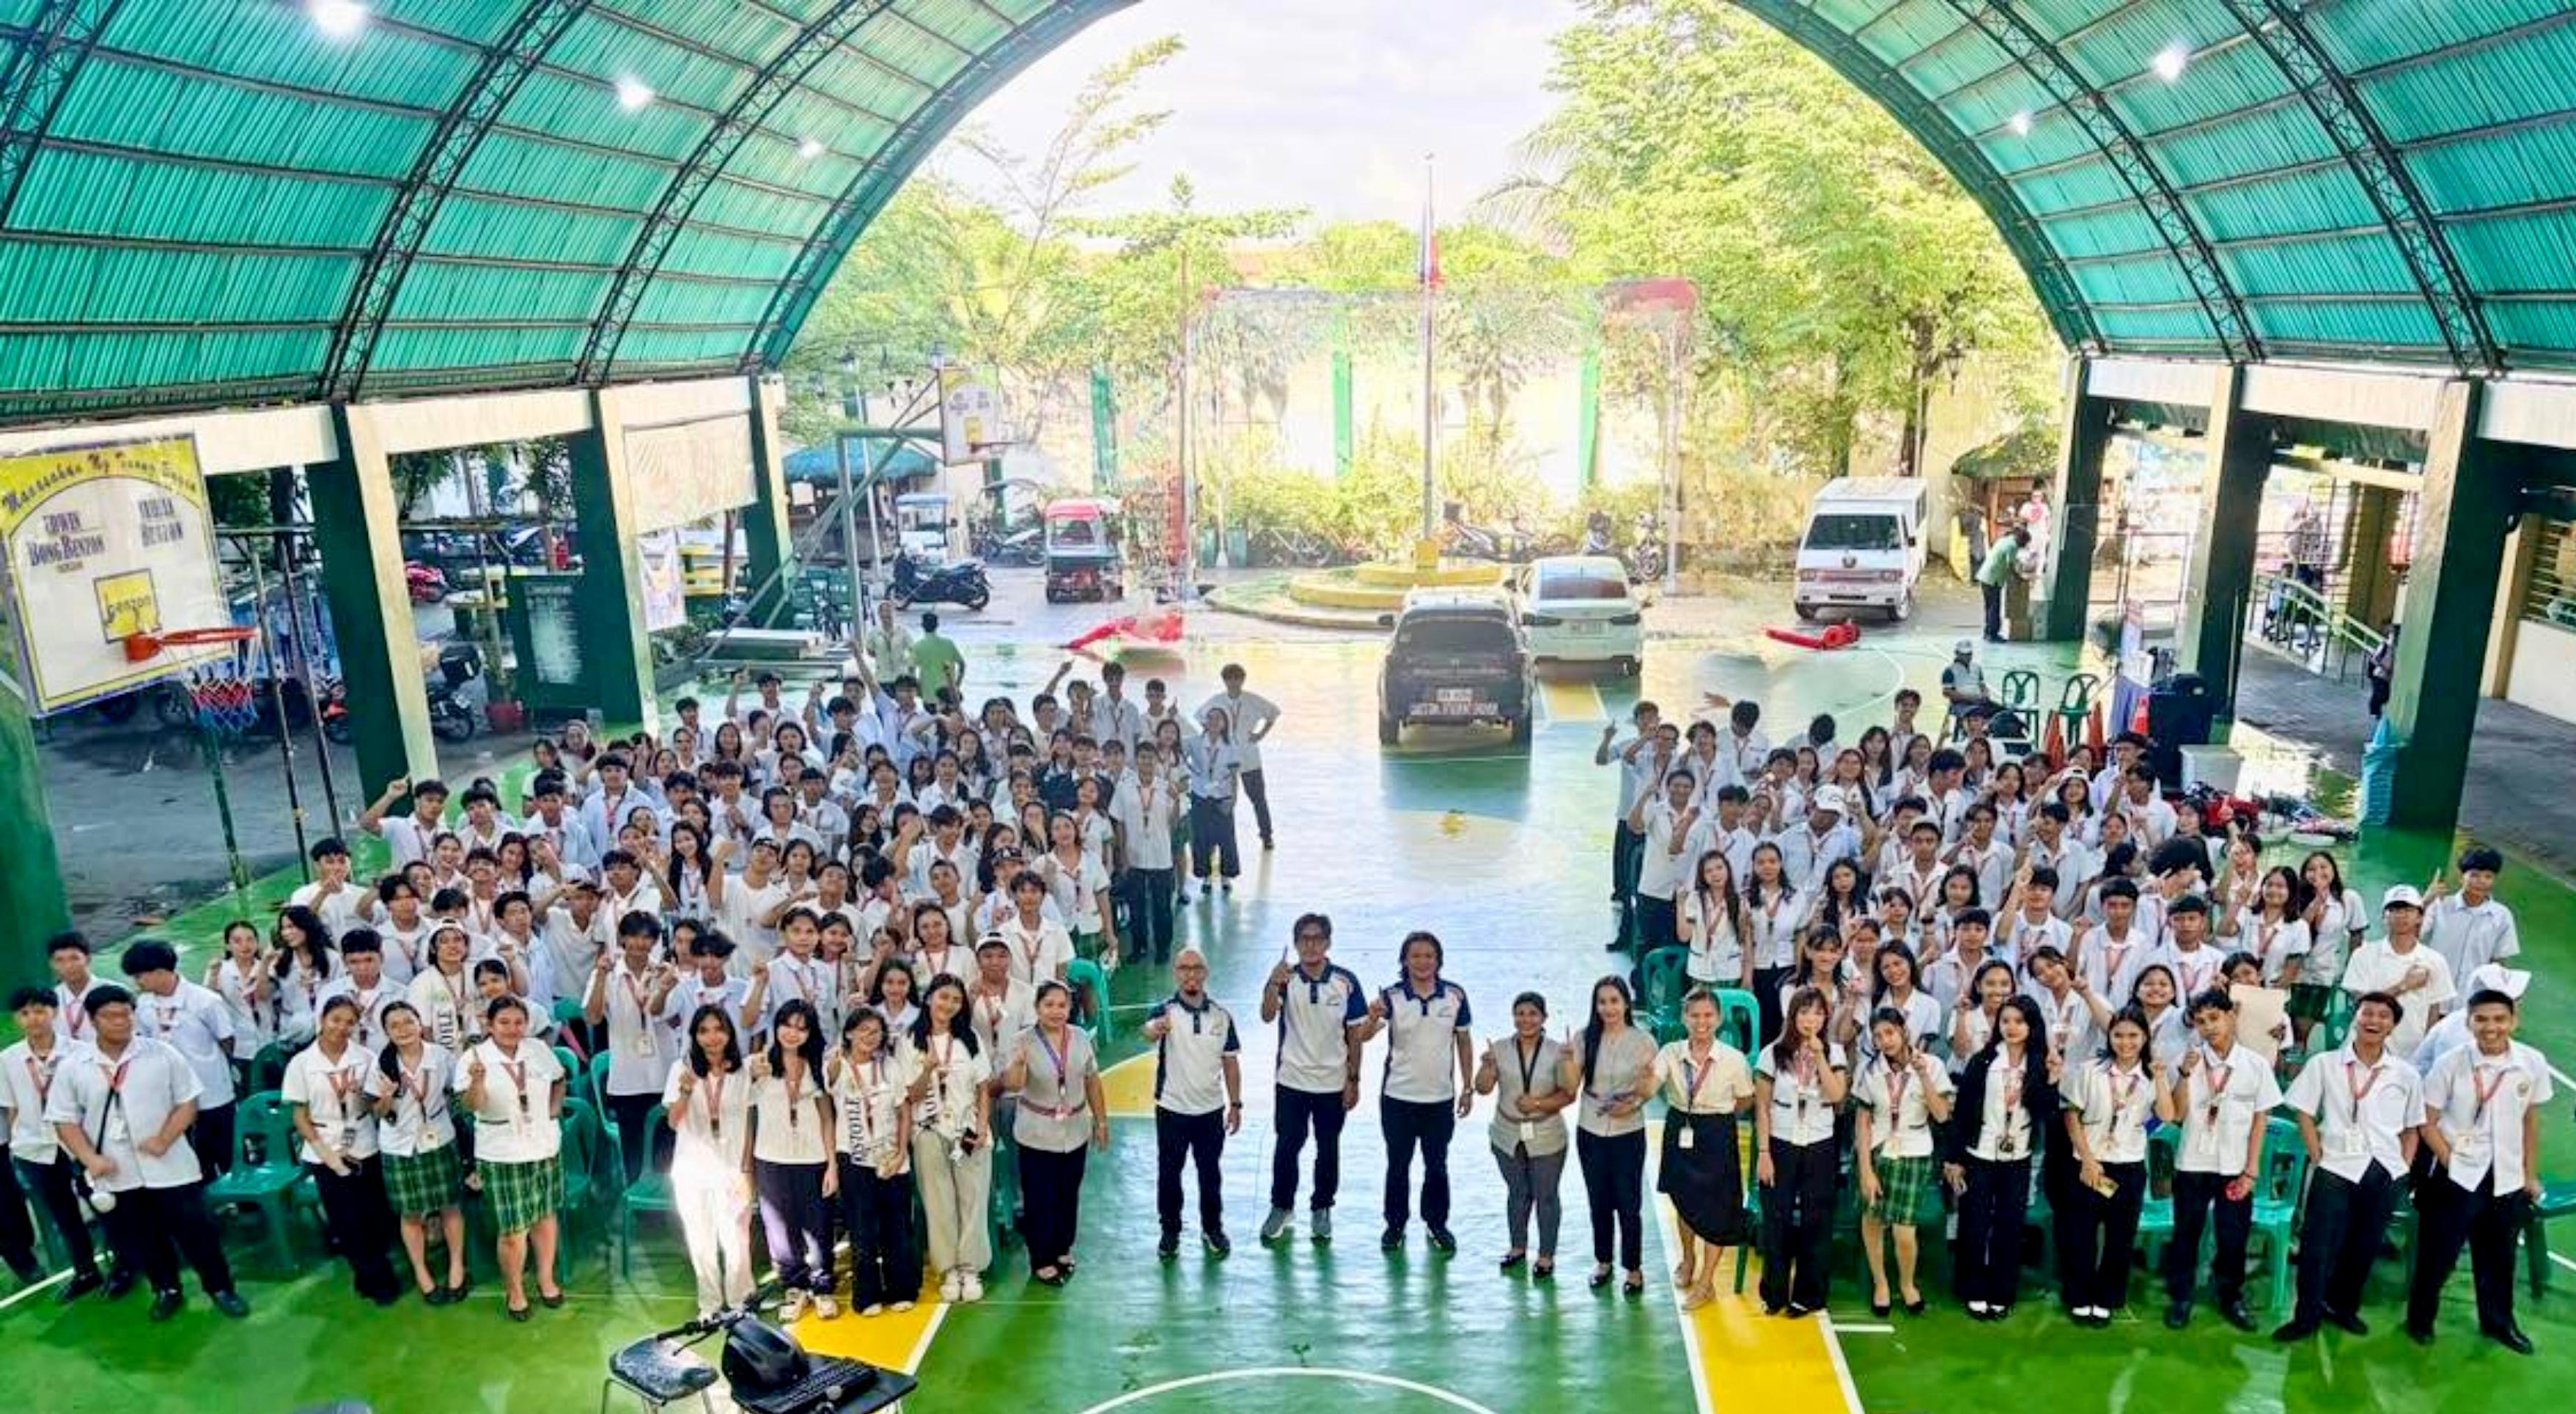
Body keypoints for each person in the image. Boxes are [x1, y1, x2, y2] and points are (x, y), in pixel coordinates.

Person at [45, 985, 249, 1321]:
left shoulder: (162, 1054)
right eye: (111, 1016)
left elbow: (188, 1101)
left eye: (126, 1013)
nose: (121, 1022)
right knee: (145, 1235)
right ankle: (166, 1289)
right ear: (93, 1020)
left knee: (196, 1230)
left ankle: (221, 1288)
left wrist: (165, 1139)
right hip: (117, 1172)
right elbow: (64, 1121)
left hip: (170, 1164)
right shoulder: (74, 1066)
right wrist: (90, 1159)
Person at [2409, 987, 2552, 1354]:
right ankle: (2421, 1319)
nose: (2491, 1028)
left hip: (2505, 1177)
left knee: (2500, 1256)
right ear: (2469, 1022)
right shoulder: (2452, 1063)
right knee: (2438, 1252)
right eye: (2482, 1019)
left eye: (2500, 1019)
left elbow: (2531, 1122)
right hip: (2457, 1176)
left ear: (2514, 1021)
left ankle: (2499, 1323)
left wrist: (2529, 1174)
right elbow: (2428, 1121)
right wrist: (2449, 1161)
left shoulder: (2531, 1062)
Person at [2274, 990, 2423, 1343]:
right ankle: (2306, 1315)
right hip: (2335, 1165)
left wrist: (2402, 1168)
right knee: (2317, 1244)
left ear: (2393, 1025)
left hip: (2384, 1168)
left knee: (2365, 1244)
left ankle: (2343, 1307)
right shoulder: (2325, 1064)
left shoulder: (2405, 1074)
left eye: (2383, 1016)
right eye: (2367, 1013)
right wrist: (2318, 1156)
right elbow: (2304, 1113)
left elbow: (2412, 1128)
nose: (2373, 1021)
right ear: (2355, 1018)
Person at [2163, 989, 2280, 1331]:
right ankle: (2181, 1295)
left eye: (2214, 1018)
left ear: (2231, 1016)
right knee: (2186, 1232)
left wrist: (2251, 1169)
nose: (2208, 1027)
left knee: (2233, 1236)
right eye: (2201, 1022)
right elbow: (2177, 1115)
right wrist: (2184, 1076)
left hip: (2234, 1166)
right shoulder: (2190, 1061)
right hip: (2193, 1163)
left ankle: (2231, 1296)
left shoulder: (2255, 1064)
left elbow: (2262, 1118)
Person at [1357, 931, 1476, 1254]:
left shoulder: (1455, 996)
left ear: (1438, 961)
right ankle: (1395, 1224)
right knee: (1398, 1164)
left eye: (1429, 956)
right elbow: (1365, 1037)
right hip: (1398, 1097)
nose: (1422, 962)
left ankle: (1437, 1223)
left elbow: (1464, 1041)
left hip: (1439, 1099)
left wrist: (1468, 1087)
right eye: (1415, 956)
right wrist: (1371, 1016)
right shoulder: (1391, 998)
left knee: (1437, 1165)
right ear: (1405, 961)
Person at [282, 995, 401, 1305]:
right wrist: (327, 1155)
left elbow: (375, 1110)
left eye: (350, 1022)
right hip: (325, 1148)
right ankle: (375, 1277)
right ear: (322, 1020)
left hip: (363, 1143)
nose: (342, 1028)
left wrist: (381, 1098)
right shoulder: (301, 1064)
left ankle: (371, 1273)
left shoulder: (364, 1058)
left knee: (374, 1215)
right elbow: (300, 1116)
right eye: (336, 1020)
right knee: (346, 1222)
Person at [2059, 1006, 2173, 1325]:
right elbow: (2072, 1115)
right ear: (2109, 1037)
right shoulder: (2091, 1070)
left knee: (2120, 1237)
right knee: (2081, 1233)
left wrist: (2162, 1078)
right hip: (2089, 1166)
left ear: (2145, 1037)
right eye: (2119, 1035)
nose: (2126, 1042)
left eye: (2133, 1035)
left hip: (2128, 1166)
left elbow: (2166, 1115)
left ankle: (2108, 1297)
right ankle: (2079, 1296)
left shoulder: (2152, 1077)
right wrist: (2088, 1159)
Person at [456, 996, 567, 1319]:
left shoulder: (538, 1050)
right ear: (490, 1025)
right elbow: (470, 1106)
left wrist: (553, 1111)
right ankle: (515, 1290)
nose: (512, 1029)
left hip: (543, 1143)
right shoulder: (474, 1058)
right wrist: (477, 1081)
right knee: (513, 1229)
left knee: (545, 1216)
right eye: (503, 1023)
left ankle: (546, 1278)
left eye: (519, 1022)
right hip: (501, 1150)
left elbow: (559, 1080)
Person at [1259, 914, 1365, 1247]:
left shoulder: (1346, 981)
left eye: (1317, 938)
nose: (1311, 944)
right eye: (1304, 938)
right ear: (1295, 943)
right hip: (1291, 1079)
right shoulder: (1285, 978)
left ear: (1328, 943)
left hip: (1333, 1084)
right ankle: (1282, 1207)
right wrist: (1272, 984)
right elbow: (1266, 1015)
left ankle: (1322, 1208)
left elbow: (1355, 1034)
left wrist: (1353, 1079)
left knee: (1328, 1148)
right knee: (1287, 1147)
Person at [1948, 995, 2055, 1319]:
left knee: (2010, 1225)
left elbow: (2045, 1114)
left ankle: (2002, 1290)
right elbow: (1963, 1111)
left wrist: (2051, 1080)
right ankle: (1972, 1288)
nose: (2012, 1027)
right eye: (2006, 1021)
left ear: (2032, 1026)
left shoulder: (2040, 1063)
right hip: (1979, 1154)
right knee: (1974, 1223)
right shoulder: (1982, 1061)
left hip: (2018, 1156)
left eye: (2019, 1021)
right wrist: (1954, 1158)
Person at [2, 987, 106, 1301]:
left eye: (39, 1011)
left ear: (54, 1012)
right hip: (35, 1150)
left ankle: (127, 1263)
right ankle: (86, 1271)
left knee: (106, 1205)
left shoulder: (81, 1052)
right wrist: (20, 1142)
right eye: (24, 1013)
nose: (33, 1019)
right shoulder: (8, 1060)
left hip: (79, 1145)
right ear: (16, 1019)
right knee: (64, 1214)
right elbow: (10, 1108)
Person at [1002, 980, 1107, 1285]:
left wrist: (1101, 1121)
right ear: (1037, 1008)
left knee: (1068, 1192)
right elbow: (1013, 1084)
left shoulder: (1080, 1038)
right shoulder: (1023, 1040)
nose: (1056, 1011)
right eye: (1049, 1005)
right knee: (1040, 1197)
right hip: (1036, 1131)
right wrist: (1019, 1064)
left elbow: (1092, 1080)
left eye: (1062, 1005)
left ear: (1070, 1008)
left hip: (1075, 1128)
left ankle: (1063, 1246)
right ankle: (1042, 1257)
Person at [1657, 989, 1755, 1310]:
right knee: (1683, 1200)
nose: (1701, 1022)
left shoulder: (1733, 1059)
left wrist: (1717, 1117)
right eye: (1695, 1015)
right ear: (1684, 1018)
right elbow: (1650, 1084)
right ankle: (1688, 1260)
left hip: (1717, 1132)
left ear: (1719, 1018)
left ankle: (1706, 1282)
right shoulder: (1670, 1052)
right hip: (1680, 1127)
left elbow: (1744, 1099)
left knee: (1718, 1208)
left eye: (1708, 1015)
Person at [1754, 987, 1847, 1317]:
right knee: (1776, 1217)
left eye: (1819, 1012)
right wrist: (1763, 1153)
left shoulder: (1834, 1052)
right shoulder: (1772, 1053)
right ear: (1792, 1016)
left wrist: (1819, 1055)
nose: (1811, 1019)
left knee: (1816, 1220)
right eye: (1804, 1012)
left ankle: (1809, 1295)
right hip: (1780, 1143)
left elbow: (1837, 1096)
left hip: (1820, 1144)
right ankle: (1774, 1292)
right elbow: (1762, 1107)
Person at [1853, 1006, 1952, 1318]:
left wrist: (1922, 1076)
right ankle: (1881, 1284)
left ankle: (1908, 1284)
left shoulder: (1933, 1065)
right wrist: (1866, 1170)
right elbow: (1864, 1121)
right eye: (1878, 1036)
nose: (1885, 1041)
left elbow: (1941, 1114)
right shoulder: (1869, 1071)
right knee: (1872, 1220)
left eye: (1890, 1033)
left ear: (1904, 1031)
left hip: (1915, 1150)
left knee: (1903, 1230)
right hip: (1878, 1150)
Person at [1144, 949, 1243, 1259]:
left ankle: (1212, 1228)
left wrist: (1235, 1104)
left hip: (1210, 1111)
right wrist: (1154, 1030)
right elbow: (1148, 1032)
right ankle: (1170, 1230)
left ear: (1205, 973)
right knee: (1170, 1173)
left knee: (1210, 1173)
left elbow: (1230, 1063)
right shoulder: (1164, 1011)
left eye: (1197, 968)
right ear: (1176, 973)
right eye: (1184, 968)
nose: (1191, 974)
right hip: (1172, 1109)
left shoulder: (1222, 1016)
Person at [370, 1001, 468, 1305]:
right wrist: (385, 1098)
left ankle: (456, 1267)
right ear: (386, 1032)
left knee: (450, 1206)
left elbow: (458, 1093)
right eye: (394, 1025)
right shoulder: (380, 1064)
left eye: (408, 1022)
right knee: (410, 1214)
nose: (403, 1030)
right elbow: (377, 1113)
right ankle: (421, 1273)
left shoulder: (440, 1056)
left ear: (419, 1023)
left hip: (438, 1139)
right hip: (399, 1145)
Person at [1566, 976, 1656, 1296]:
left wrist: (1633, 1102)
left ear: (1626, 1003)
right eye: (1602, 1002)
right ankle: (1603, 1261)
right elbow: (1569, 1086)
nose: (1608, 1008)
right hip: (1590, 1129)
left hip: (1628, 1131)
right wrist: (1566, 1062)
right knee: (1599, 1200)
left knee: (1629, 1203)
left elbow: (1648, 1090)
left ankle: (1633, 1268)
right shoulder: (1582, 1038)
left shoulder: (1644, 1041)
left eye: (1614, 1001)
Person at [665, 1004, 755, 1320]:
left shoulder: (744, 1071)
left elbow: (751, 1122)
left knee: (735, 1238)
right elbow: (674, 1122)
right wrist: (687, 1091)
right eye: (704, 1031)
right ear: (694, 1036)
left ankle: (741, 1301)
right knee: (700, 1238)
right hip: (692, 1168)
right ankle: (710, 1304)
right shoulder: (681, 1069)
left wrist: (746, 1170)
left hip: (731, 1168)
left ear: (730, 1033)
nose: (712, 1037)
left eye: (719, 1029)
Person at [1473, 991, 1572, 1280]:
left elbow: (1568, 1093)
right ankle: (1517, 1247)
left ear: (1544, 1018)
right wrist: (1487, 1066)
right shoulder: (1500, 1049)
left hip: (1547, 1133)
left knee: (1547, 1196)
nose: (1526, 1019)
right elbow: (1482, 1088)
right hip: (1506, 1133)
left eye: (1532, 1014)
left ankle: (1546, 1255)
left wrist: (1566, 1064)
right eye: (1520, 1013)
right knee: (1517, 1194)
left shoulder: (1557, 1050)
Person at [908, 974, 993, 1303]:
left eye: (956, 1000)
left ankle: (971, 1267)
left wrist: (983, 1127)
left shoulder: (969, 1038)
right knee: (938, 1202)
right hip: (929, 1132)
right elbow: (910, 1096)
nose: (949, 1005)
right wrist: (928, 1070)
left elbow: (983, 1088)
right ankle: (949, 1269)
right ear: (929, 998)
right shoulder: (909, 1041)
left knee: (973, 1198)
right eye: (943, 997)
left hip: (968, 1130)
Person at [119, 940, 237, 1180]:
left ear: (161, 972)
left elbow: (226, 1040)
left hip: (212, 1093)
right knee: (194, 1161)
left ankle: (245, 1208)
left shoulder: (205, 1000)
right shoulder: (143, 1005)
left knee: (227, 1154)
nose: (137, 983)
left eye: (140, 976)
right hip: (172, 1098)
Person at [749, 998, 834, 1320]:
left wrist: (832, 1165)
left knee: (819, 1224)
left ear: (810, 1033)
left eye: (802, 1027)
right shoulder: (758, 1065)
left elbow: (828, 1118)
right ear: (776, 1026)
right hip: (771, 1157)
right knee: (780, 1229)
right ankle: (794, 1287)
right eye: (787, 1025)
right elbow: (744, 1113)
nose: (793, 1033)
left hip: (813, 1157)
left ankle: (822, 1285)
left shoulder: (820, 1067)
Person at [829, 1009, 917, 1317]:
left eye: (876, 1031)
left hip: (891, 1157)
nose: (870, 1036)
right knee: (862, 1229)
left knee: (896, 1226)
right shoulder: (838, 1064)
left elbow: (904, 1111)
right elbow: (828, 1081)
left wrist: (902, 1151)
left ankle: (901, 1289)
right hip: (854, 1158)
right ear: (850, 1032)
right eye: (863, 1030)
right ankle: (866, 1295)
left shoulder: (890, 1066)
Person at [2340, 885, 2457, 1061]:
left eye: (2408, 910)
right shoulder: (2364, 955)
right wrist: (2404, 986)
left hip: (2411, 1052)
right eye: (2394, 909)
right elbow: (2360, 1003)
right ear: (2384, 917)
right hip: (2363, 1046)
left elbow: (2434, 1011)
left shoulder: (2435, 960)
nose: (2401, 915)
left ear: (2420, 917)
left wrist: (2426, 1050)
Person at [1200, 663, 1281, 850]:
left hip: (1249, 756)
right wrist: (1214, 737)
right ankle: (1217, 838)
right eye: (1229, 679)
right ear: (1225, 681)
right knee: (1220, 798)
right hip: (1224, 757)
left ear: (1243, 680)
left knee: (1258, 798)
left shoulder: (1252, 700)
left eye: (1237, 678)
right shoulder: (1217, 701)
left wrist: (1261, 734)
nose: (1233, 683)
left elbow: (1273, 713)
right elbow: (1201, 717)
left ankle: (1266, 836)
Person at [2423, 846, 2520, 981]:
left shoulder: (2502, 916)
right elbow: (2410, 933)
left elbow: (2498, 961)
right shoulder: (2440, 905)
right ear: (2461, 878)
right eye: (2474, 875)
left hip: (2473, 995)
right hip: (2434, 989)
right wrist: (2425, 902)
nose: (2481, 881)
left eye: (2488, 876)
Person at [1976, 525, 2031, 642]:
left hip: (1985, 576)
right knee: (1994, 608)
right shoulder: (2012, 546)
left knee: (1989, 606)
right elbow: (2010, 566)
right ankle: (1993, 635)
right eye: (2025, 543)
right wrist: (2020, 579)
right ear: (2021, 540)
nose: (2024, 546)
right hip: (1993, 579)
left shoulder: (2005, 540)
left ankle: (1988, 633)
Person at [908, 611, 965, 699]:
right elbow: (962, 665)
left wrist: (917, 689)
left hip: (928, 694)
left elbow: (911, 670)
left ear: (922, 626)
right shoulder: (948, 644)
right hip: (948, 694)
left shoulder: (918, 647)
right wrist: (957, 684)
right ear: (937, 625)